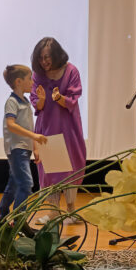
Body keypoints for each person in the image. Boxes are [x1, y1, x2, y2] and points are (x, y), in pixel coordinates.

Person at [29, 37, 87, 225]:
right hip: (48, 127)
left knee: (70, 167)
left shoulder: (71, 71)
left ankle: (71, 210)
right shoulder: (37, 75)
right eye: (40, 58)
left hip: (68, 127)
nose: (44, 62)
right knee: (50, 171)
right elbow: (36, 103)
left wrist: (60, 98)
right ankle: (53, 212)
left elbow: (73, 98)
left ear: (56, 55)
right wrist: (44, 100)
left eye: (47, 57)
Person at [0, 65, 47, 221]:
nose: (32, 82)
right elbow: (11, 124)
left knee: (14, 184)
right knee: (26, 184)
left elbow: (29, 125)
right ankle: (18, 220)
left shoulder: (25, 101)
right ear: (18, 81)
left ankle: (1, 214)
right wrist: (34, 136)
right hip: (16, 149)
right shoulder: (12, 101)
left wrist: (35, 147)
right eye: (29, 78)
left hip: (25, 148)